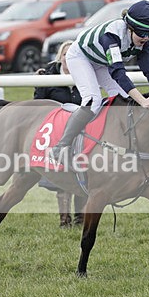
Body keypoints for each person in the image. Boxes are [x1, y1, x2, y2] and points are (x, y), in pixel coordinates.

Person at [49, 0, 149, 165]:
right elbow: (118, 72)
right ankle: (61, 146)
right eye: (142, 33)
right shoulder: (112, 35)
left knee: (124, 99)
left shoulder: (143, 39)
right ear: (130, 27)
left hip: (100, 61)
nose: (146, 38)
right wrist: (143, 100)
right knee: (92, 100)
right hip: (80, 57)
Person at [34, 40, 87, 227]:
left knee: (82, 170)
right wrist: (38, 83)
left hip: (81, 132)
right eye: (65, 54)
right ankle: (64, 220)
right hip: (56, 131)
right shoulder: (49, 75)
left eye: (72, 54)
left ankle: (81, 217)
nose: (68, 58)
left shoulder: (85, 74)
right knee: (62, 173)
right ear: (60, 57)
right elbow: (38, 102)